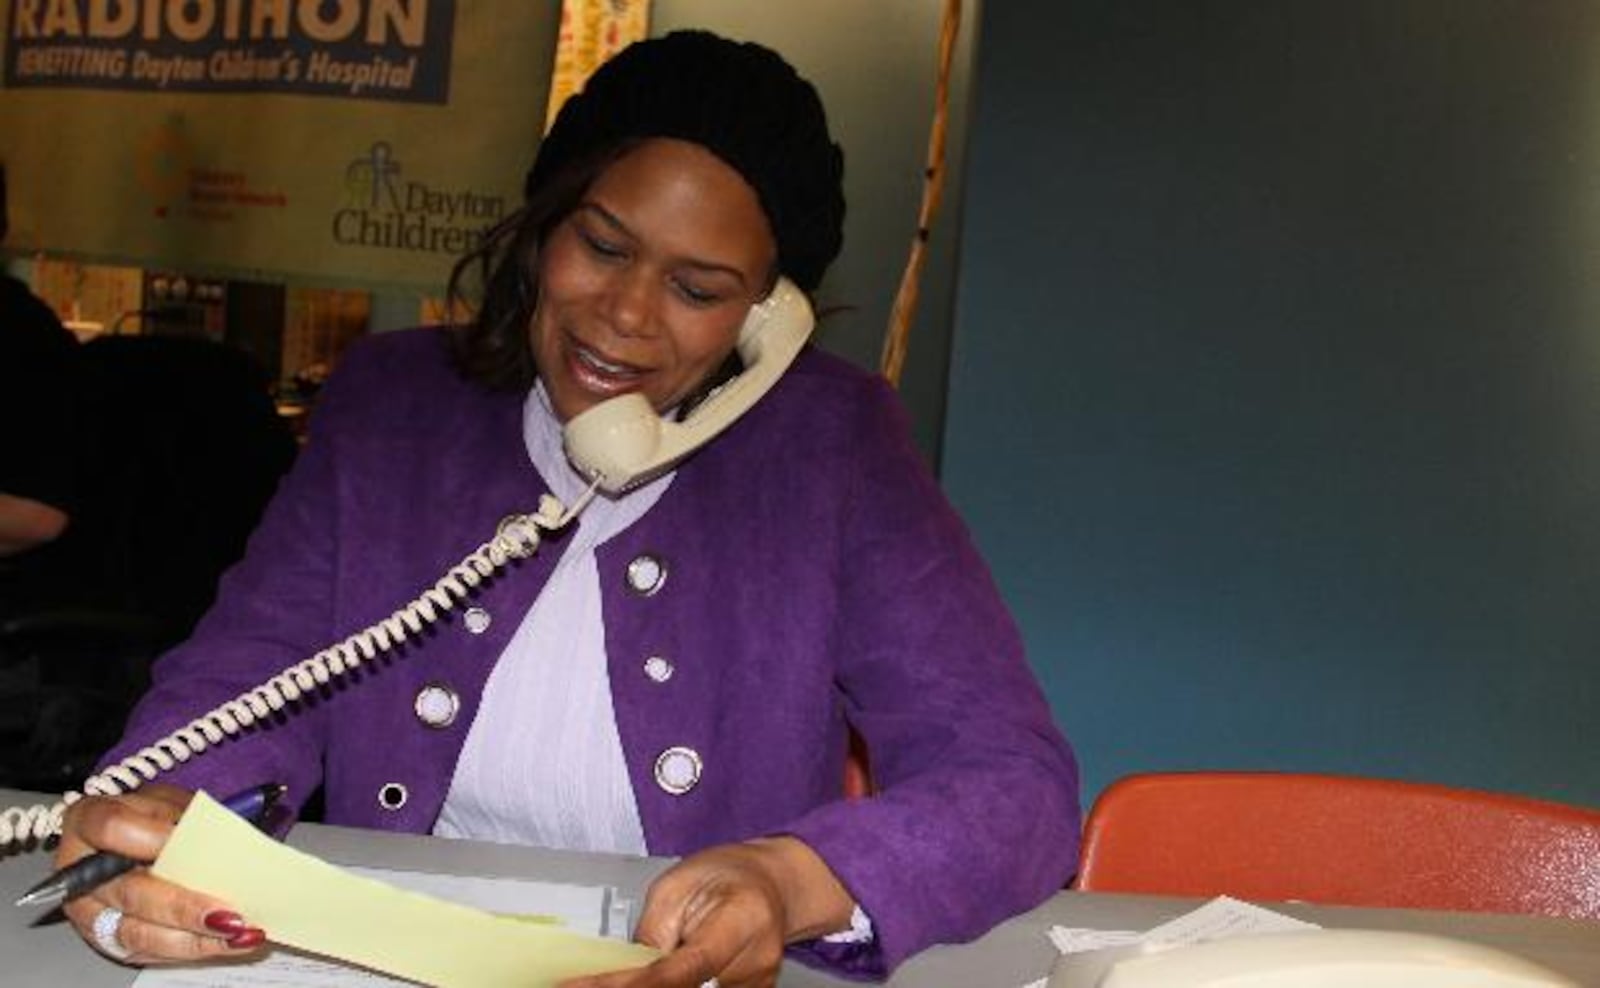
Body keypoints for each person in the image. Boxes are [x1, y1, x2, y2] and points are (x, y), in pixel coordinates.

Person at [54, 31, 1080, 986]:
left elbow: (1010, 782)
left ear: (767, 317)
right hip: (389, 957)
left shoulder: (835, 444)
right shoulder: (396, 404)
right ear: (541, 227)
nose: (626, 316)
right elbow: (243, 679)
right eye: (600, 244)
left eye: (698, 288)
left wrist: (790, 876)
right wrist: (158, 836)